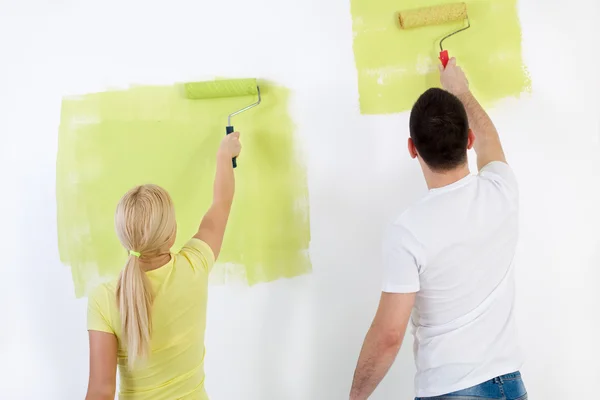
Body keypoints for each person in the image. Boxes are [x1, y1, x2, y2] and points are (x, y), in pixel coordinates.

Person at [350, 58, 527, 400]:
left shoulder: (408, 232)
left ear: (411, 148)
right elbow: (491, 140)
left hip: (452, 391)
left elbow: (389, 335)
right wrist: (461, 91)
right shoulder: (502, 190)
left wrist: (356, 396)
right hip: (512, 386)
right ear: (468, 140)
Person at [85, 132, 242, 400]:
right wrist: (224, 154)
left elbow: (101, 391)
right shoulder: (195, 264)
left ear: (123, 237)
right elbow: (221, 203)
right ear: (172, 233)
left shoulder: (104, 299)